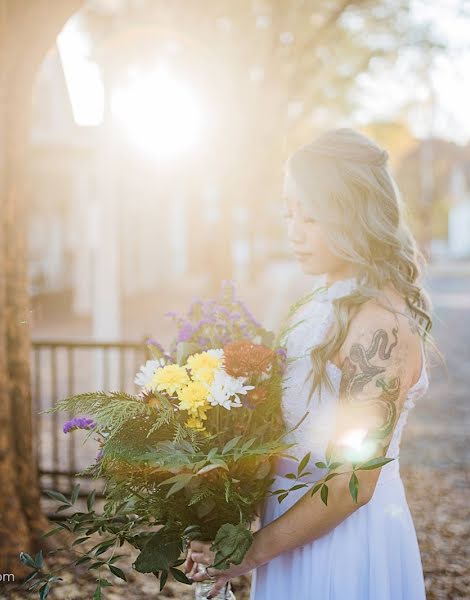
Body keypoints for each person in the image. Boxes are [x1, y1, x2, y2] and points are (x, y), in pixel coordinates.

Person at [184, 128, 434, 599]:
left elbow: (353, 483)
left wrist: (250, 552)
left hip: (344, 546)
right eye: (288, 213)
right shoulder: (321, 306)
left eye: (311, 217)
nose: (294, 231)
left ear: (353, 216)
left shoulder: (380, 327)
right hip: (287, 535)